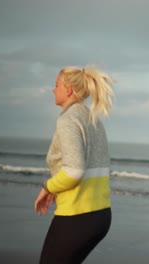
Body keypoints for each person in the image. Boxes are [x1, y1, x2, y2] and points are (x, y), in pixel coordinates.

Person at [34, 65, 114, 264]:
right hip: (101, 215)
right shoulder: (92, 119)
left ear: (68, 89)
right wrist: (59, 186)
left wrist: (48, 187)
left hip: (77, 216)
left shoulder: (69, 120)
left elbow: (74, 170)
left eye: (56, 85)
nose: (53, 89)